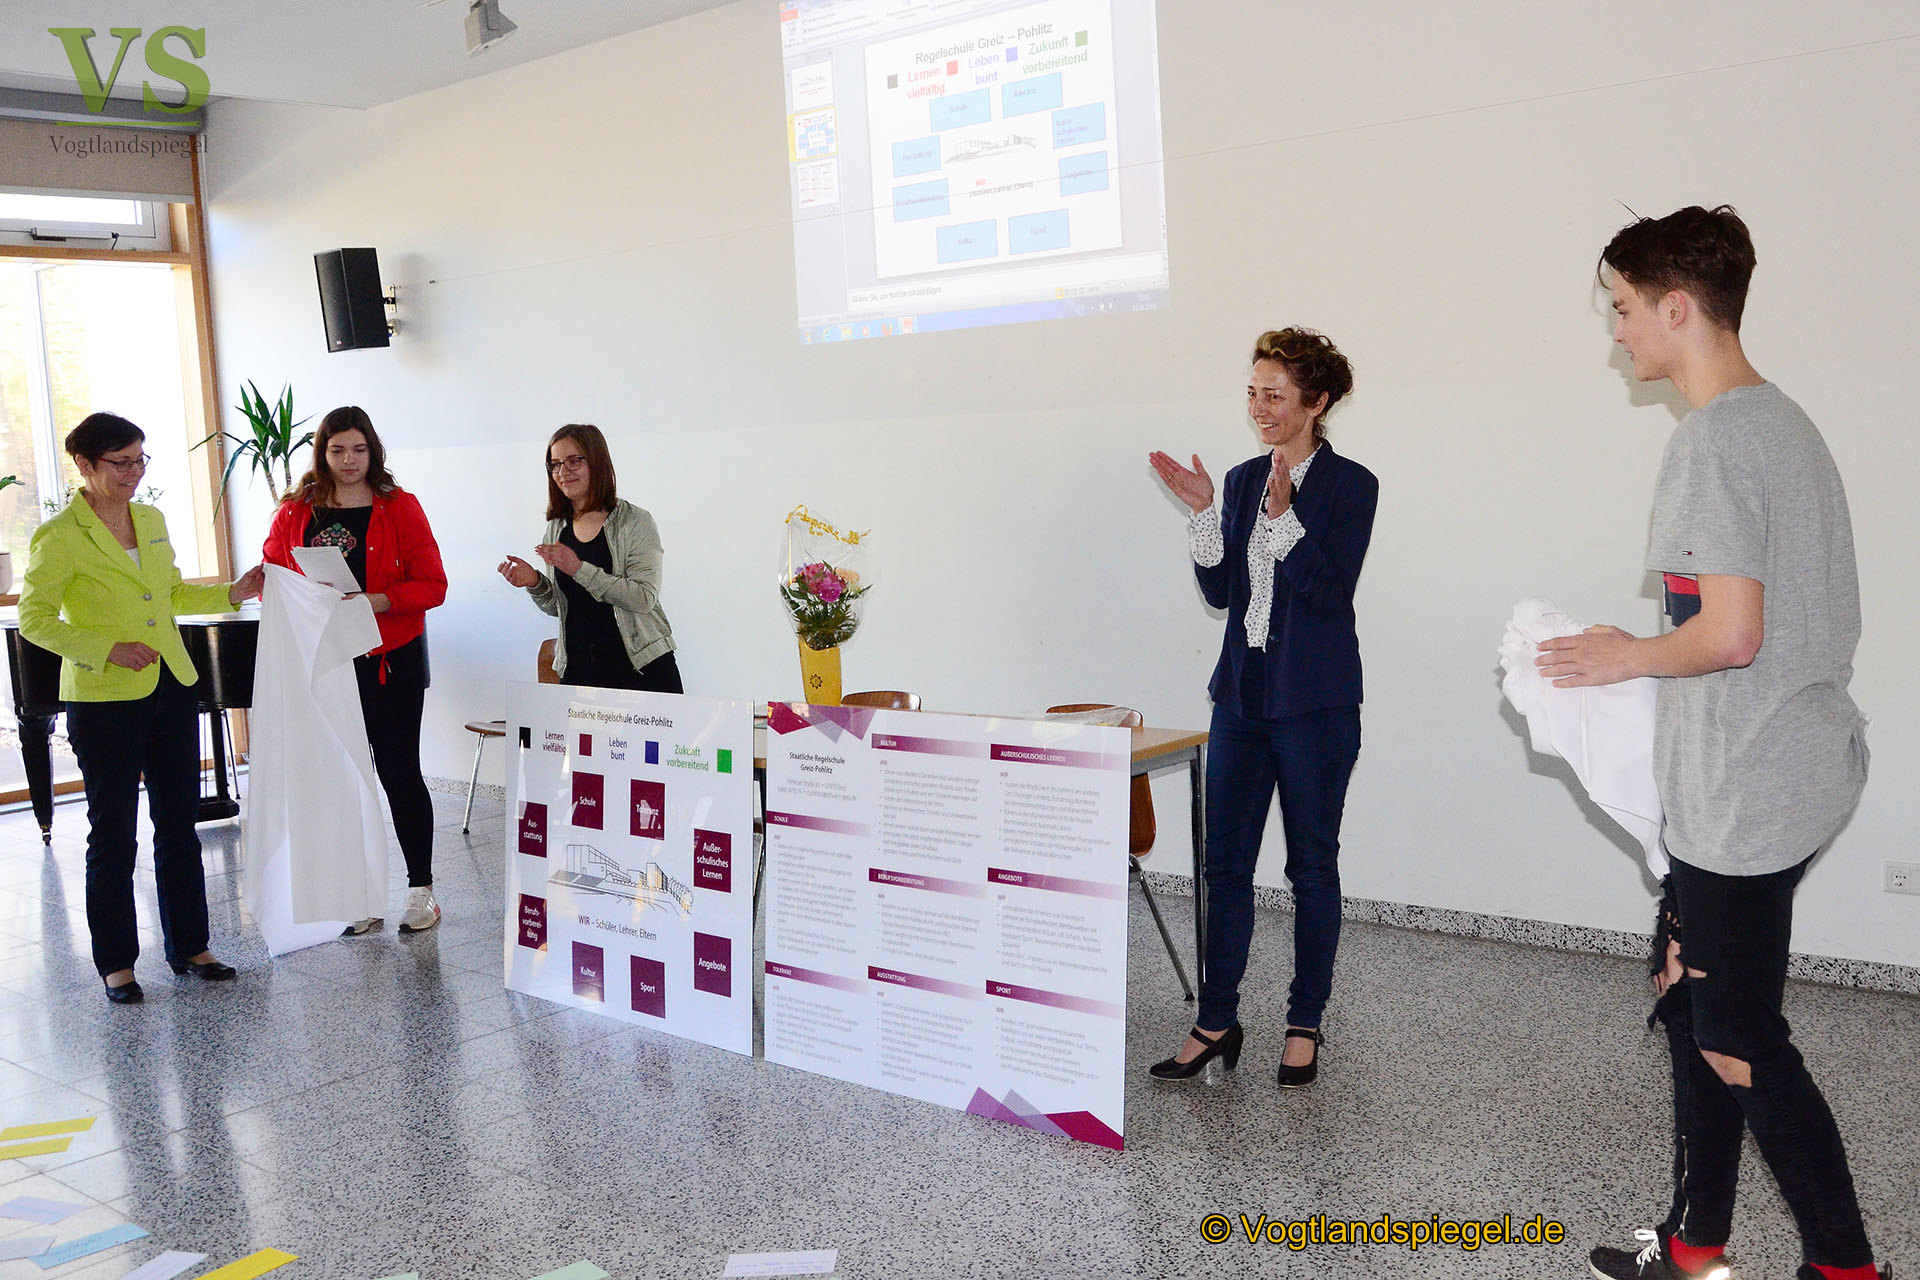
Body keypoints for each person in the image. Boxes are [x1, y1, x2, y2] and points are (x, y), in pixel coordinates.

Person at [1540, 207, 1887, 1280]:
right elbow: (1739, 620)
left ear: (1678, 307)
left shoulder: (1713, 441)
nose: (1616, 332)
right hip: (1777, 770)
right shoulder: (1782, 422)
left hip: (1746, 792)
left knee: (1736, 1037)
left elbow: (1731, 636)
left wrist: (1625, 658)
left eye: (1623, 308)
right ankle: (1696, 1246)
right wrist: (1643, 649)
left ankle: (1845, 1267)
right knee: (1690, 995)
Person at [1146, 328, 1378, 1089]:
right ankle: (1215, 1020)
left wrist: (1285, 522)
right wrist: (1204, 515)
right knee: (1224, 868)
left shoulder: (1351, 486)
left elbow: (1328, 593)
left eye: (1275, 394)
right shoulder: (1243, 479)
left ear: (1317, 401)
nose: (1259, 407)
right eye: (1252, 392)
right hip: (1241, 702)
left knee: (1311, 866)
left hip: (1315, 707)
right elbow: (1223, 594)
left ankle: (1304, 1021)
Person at [18, 412, 264, 1004]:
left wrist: (232, 592)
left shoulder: (150, 519)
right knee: (114, 833)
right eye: (121, 463)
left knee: (179, 824)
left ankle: (191, 946)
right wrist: (106, 649)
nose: (134, 473)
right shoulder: (59, 536)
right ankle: (117, 963)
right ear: (85, 465)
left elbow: (170, 593)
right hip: (103, 698)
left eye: (140, 460)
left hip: (170, 685)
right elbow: (34, 619)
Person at [263, 406, 448, 935]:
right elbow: (275, 569)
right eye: (337, 450)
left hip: (389, 659)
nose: (349, 460)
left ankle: (421, 891)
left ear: (373, 452)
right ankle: (359, 897)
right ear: (321, 453)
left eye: (359, 450)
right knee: (341, 780)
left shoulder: (399, 506)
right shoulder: (296, 510)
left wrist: (380, 600)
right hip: (327, 661)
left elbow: (433, 585)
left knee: (398, 772)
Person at [496, 424, 681, 693]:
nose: (563, 472)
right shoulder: (557, 528)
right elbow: (561, 607)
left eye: (574, 461)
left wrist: (579, 569)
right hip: (580, 672)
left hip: (640, 670)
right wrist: (534, 582)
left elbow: (643, 598)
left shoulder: (635, 521)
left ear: (597, 462)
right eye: (555, 464)